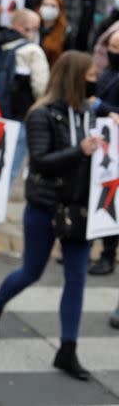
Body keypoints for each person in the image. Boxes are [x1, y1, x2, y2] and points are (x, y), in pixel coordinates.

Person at [0, 51, 99, 382]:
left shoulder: (91, 113)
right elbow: (43, 160)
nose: (96, 80)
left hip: (79, 208)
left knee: (76, 278)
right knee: (32, 271)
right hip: (45, 206)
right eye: (90, 75)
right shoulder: (41, 114)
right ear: (75, 77)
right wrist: (81, 150)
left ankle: (67, 348)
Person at [0, 9, 50, 257]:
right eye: (34, 27)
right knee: (4, 177)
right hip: (19, 123)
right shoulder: (32, 52)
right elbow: (42, 89)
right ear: (25, 27)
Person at [87, 30, 119, 276]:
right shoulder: (107, 72)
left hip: (114, 148)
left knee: (110, 201)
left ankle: (108, 254)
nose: (113, 52)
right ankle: (84, 248)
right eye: (111, 47)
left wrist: (102, 107)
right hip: (99, 142)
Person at [38, 0, 68, 67]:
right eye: (45, 5)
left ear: (60, 10)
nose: (48, 8)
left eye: (53, 6)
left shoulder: (65, 33)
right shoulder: (32, 27)